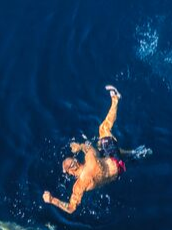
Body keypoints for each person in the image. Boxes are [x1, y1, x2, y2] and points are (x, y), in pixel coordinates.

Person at [42, 85, 136, 214]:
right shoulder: (90, 159)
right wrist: (80, 146)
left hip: (117, 174)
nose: (68, 173)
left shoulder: (79, 186)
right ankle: (116, 98)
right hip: (115, 161)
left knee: (103, 148)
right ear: (75, 164)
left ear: (71, 170)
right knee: (103, 130)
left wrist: (52, 200)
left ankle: (132, 154)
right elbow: (89, 148)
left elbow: (70, 209)